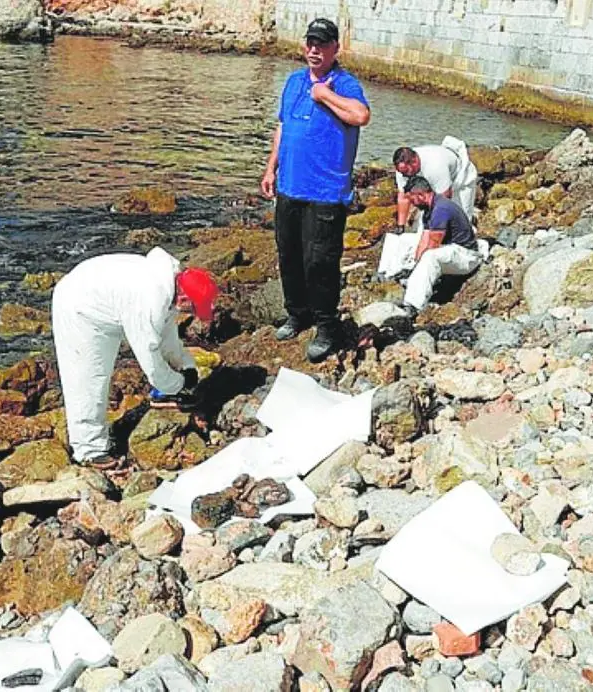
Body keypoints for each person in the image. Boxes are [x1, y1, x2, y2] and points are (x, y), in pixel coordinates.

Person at [260, 17, 371, 363]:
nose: (314, 50)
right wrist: (270, 166)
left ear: (335, 48)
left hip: (326, 192)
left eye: (322, 44)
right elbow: (283, 126)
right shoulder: (293, 82)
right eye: (310, 43)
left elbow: (361, 115)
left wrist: (325, 95)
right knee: (289, 254)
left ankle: (326, 326)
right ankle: (297, 314)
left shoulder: (345, 84)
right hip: (289, 186)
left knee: (320, 262)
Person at [51, 247, 219, 469]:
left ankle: (162, 396)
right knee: (89, 378)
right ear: (185, 298)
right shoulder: (149, 301)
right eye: (194, 309)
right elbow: (150, 360)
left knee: (98, 375)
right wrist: (177, 383)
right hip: (80, 308)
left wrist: (186, 366)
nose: (192, 314)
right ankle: (89, 450)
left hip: (104, 301)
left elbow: (167, 337)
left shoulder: (170, 289)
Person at [400, 176, 483, 314]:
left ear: (420, 195)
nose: (412, 204)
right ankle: (411, 284)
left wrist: (420, 265)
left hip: (466, 255)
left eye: (412, 199)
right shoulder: (429, 210)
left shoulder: (440, 209)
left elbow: (433, 244)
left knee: (430, 257)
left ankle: (413, 305)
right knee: (409, 245)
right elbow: (424, 241)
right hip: (453, 250)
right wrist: (415, 265)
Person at [393, 137, 479, 230]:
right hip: (434, 183)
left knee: (462, 220)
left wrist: (436, 222)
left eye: (406, 171)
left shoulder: (435, 166)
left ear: (414, 162)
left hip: (461, 179)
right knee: (425, 224)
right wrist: (400, 226)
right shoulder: (402, 169)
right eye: (401, 171)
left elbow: (445, 197)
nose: (403, 175)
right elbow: (404, 197)